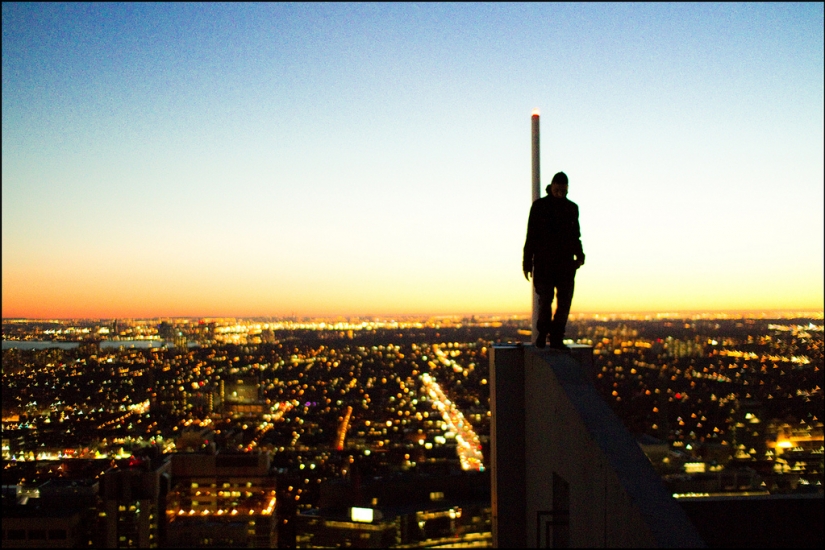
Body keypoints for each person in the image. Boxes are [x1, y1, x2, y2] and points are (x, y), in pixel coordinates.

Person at [523, 171, 585, 349]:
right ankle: (543, 334)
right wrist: (527, 262)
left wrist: (580, 256)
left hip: (565, 263)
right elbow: (531, 236)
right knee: (545, 300)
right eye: (558, 190)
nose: (561, 193)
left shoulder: (571, 208)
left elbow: (575, 235)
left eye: (564, 191)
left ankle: (556, 336)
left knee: (564, 302)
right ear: (552, 187)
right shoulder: (540, 206)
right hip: (544, 263)